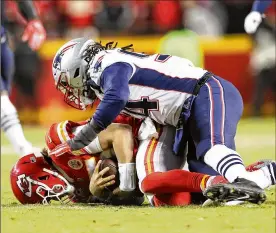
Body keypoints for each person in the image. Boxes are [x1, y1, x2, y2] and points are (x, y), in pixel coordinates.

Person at [49, 38, 275, 204]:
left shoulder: (106, 63)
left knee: (213, 149)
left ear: (77, 65)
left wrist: (89, 132)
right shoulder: (107, 70)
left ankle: (247, 180)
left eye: (68, 82)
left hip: (204, 93)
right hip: (186, 113)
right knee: (213, 197)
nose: (71, 90)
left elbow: (117, 97)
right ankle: (263, 174)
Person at [11, 116, 275, 206]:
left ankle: (213, 182)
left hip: (147, 128)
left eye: (43, 191)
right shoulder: (78, 193)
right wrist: (99, 195)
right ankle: (261, 174)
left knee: (150, 182)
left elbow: (120, 133)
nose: (52, 195)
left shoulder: (60, 144)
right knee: (172, 201)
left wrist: (123, 180)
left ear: (40, 176)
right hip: (142, 151)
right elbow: (130, 198)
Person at [1, 0, 46, 156]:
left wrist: (33, 18)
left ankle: (23, 147)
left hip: (2, 37)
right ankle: (23, 148)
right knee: (2, 97)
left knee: (3, 93)